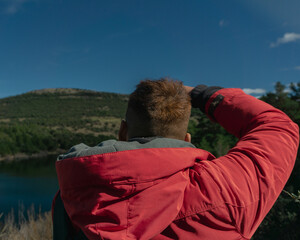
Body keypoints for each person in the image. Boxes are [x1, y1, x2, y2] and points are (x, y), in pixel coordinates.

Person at [52, 79, 299, 240]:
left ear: (123, 132)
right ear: (187, 138)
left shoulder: (71, 197)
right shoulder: (222, 190)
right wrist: (203, 95)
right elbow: (278, 126)